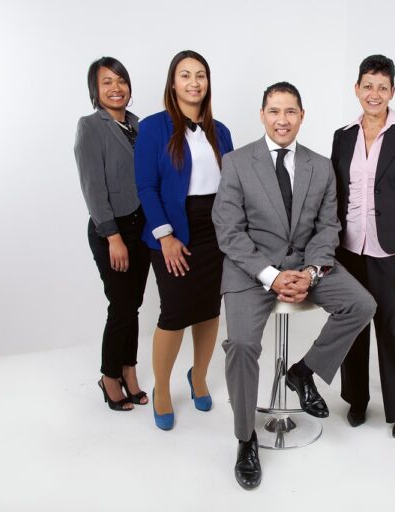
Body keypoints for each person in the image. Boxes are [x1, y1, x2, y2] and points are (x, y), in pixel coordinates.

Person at [213, 82, 376, 490]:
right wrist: (270, 275)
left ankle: (303, 372)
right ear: (262, 115)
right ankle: (245, 439)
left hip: (306, 265)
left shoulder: (320, 166)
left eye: (290, 112)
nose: (282, 120)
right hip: (251, 271)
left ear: (302, 116)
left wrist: (311, 273)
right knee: (242, 345)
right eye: (274, 111)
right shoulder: (236, 163)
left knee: (362, 304)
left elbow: (328, 227)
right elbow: (229, 232)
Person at [135, 50, 233, 430]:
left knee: (209, 310)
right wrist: (166, 237)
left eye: (200, 75)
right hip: (173, 230)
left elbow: (232, 186)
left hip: (215, 231)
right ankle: (162, 388)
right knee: (175, 313)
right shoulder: (153, 127)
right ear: (173, 83)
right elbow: (146, 186)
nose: (194, 82)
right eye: (185, 75)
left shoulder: (221, 131)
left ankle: (199, 376)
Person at [331, 55, 395, 437]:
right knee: (353, 324)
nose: (374, 94)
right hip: (348, 249)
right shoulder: (343, 136)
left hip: (390, 252)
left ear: (392, 92)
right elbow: (335, 196)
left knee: (388, 325)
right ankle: (356, 399)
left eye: (382, 87)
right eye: (368, 86)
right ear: (357, 88)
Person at [74, 57, 151, 412]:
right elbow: (93, 187)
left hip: (141, 227)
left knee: (133, 305)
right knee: (121, 306)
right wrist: (113, 237)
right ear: (95, 89)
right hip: (112, 230)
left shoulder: (137, 125)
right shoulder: (91, 126)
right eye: (107, 82)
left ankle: (128, 370)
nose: (116, 88)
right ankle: (109, 377)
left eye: (121, 80)